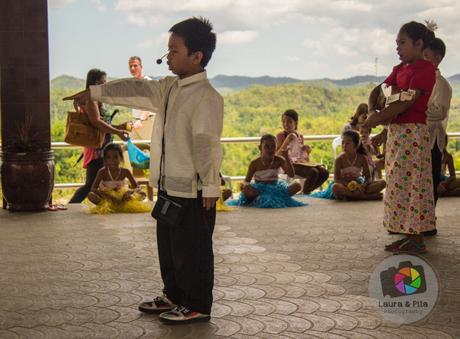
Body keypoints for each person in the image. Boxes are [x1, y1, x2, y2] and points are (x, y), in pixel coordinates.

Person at [64, 17, 223, 324]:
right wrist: (94, 94)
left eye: (174, 50)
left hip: (193, 190)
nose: (167, 57)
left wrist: (211, 187)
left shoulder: (206, 97)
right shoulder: (169, 88)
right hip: (168, 184)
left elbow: (207, 145)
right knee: (170, 246)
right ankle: (174, 295)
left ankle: (197, 304)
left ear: (197, 56)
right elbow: (134, 88)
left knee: (193, 249)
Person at [364, 20, 437, 254]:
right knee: (398, 184)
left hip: (413, 132)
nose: (398, 48)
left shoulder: (425, 69)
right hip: (397, 133)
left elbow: (406, 102)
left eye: (402, 43)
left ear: (419, 44)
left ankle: (416, 237)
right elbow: (379, 92)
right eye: (397, 43)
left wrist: (375, 119)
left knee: (414, 183)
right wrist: (372, 111)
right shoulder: (400, 69)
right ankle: (406, 234)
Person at [68, 69, 128, 204]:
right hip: (96, 148)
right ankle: (72, 205)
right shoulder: (91, 100)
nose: (106, 85)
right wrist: (117, 132)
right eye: (104, 82)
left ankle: (107, 204)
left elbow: (102, 126)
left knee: (98, 182)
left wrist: (119, 127)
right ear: (96, 83)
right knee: (91, 184)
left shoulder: (95, 100)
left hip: (100, 146)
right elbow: (97, 123)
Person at [228, 134, 304, 208]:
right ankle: (259, 199)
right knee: (247, 189)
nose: (270, 149)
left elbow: (291, 174)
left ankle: (267, 199)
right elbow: (247, 180)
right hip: (259, 189)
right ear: (260, 148)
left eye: (273, 146)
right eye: (267, 147)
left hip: (275, 188)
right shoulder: (255, 163)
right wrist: (244, 186)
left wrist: (286, 157)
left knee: (297, 186)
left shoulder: (279, 160)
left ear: (276, 147)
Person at [423, 38, 452, 216]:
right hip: (418, 137)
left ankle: (428, 221)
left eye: (426, 55)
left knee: (430, 181)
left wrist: (416, 104)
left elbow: (439, 112)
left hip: (432, 139)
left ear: (437, 57)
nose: (423, 59)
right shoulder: (422, 79)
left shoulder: (442, 84)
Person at [276, 109, 329, 194]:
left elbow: (303, 156)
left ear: (296, 123)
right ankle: (305, 194)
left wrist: (307, 151)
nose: (286, 124)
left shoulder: (299, 136)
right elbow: (277, 155)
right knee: (313, 172)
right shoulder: (281, 135)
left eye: (289, 122)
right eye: (283, 122)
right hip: (286, 164)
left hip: (299, 163)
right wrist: (287, 140)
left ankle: (304, 192)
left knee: (324, 172)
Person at [87, 143, 150, 214]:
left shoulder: (125, 171)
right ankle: (108, 206)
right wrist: (109, 197)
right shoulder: (102, 172)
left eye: (115, 157)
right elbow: (93, 188)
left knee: (143, 194)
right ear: (105, 159)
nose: (112, 160)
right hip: (107, 198)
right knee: (90, 195)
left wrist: (129, 192)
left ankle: (120, 205)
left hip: (122, 198)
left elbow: (137, 187)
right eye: (108, 157)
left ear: (121, 158)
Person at [331, 130, 386, 200]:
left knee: (383, 183)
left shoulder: (362, 158)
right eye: (343, 142)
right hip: (345, 185)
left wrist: (362, 186)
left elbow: (368, 178)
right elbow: (337, 179)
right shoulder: (339, 159)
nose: (344, 145)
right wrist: (349, 185)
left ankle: (352, 196)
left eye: (348, 143)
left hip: (359, 184)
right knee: (335, 187)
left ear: (356, 145)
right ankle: (365, 197)